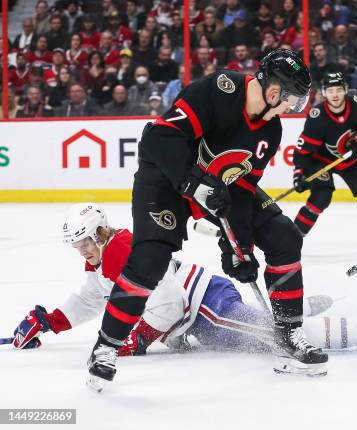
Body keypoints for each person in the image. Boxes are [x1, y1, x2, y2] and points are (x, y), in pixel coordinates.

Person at [85, 49, 327, 391]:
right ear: (274, 92)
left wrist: (236, 247)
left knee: (284, 236)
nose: (292, 109)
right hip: (166, 180)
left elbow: (241, 190)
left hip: (216, 188)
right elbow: (158, 137)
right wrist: (190, 183)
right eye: (293, 101)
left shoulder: (270, 133)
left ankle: (288, 334)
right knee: (149, 260)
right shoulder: (219, 90)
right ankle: (105, 348)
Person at [12, 203, 352, 359]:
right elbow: (89, 299)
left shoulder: (119, 252)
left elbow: (170, 299)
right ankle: (304, 306)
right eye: (77, 245)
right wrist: (48, 322)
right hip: (198, 314)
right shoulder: (106, 257)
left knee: (280, 338)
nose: (82, 250)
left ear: (100, 233)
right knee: (263, 330)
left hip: (205, 307)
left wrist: (141, 338)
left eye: (85, 241)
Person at [292, 72, 357, 247]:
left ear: (346, 90)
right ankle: (294, 237)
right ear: (324, 92)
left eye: (339, 90)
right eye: (331, 90)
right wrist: (298, 174)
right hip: (320, 162)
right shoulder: (317, 116)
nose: (335, 94)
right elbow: (303, 150)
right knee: (321, 196)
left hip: (349, 160)